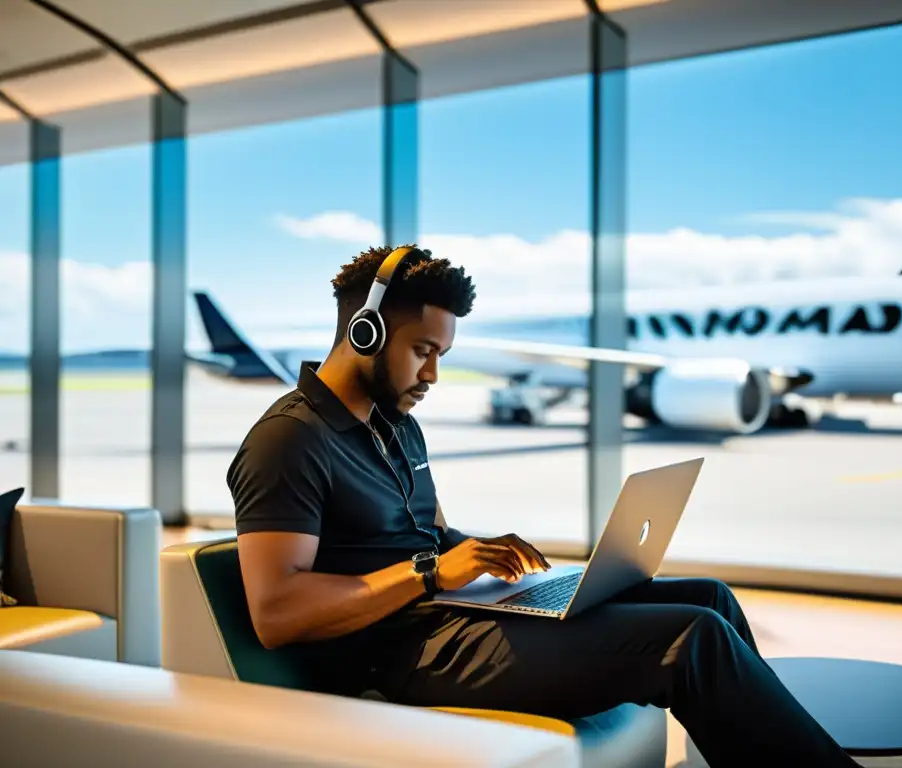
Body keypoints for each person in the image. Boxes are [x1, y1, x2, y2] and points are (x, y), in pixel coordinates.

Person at [226, 245, 859, 767]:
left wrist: (510, 567)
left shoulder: (394, 425)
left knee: (709, 597)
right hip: (401, 652)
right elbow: (277, 612)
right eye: (423, 351)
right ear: (365, 332)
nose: (433, 377)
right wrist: (432, 574)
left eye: (441, 356)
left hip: (448, 616)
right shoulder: (289, 440)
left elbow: (430, 534)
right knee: (691, 640)